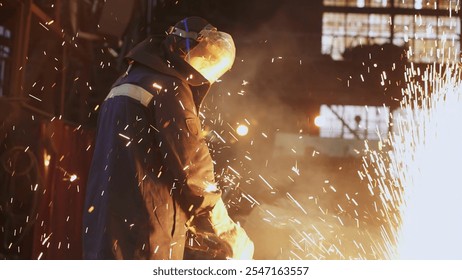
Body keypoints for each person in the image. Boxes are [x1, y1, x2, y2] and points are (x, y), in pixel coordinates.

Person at [82, 16, 254, 260]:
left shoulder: (123, 83)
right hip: (144, 238)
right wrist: (226, 232)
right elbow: (192, 170)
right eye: (205, 58)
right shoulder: (169, 88)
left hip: (103, 231)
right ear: (183, 48)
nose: (205, 69)